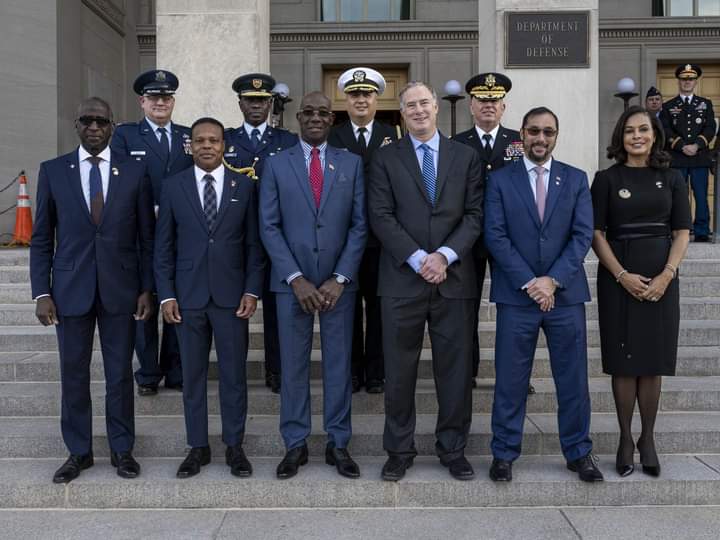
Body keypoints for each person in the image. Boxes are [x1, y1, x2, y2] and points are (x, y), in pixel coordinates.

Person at [30, 97, 155, 483]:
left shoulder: (135, 171)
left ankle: (122, 450)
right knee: (73, 372)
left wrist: (147, 287)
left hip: (121, 289)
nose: (94, 128)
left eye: (101, 121)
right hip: (69, 290)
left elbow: (145, 239)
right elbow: (40, 238)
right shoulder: (53, 171)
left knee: (119, 374)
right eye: (87, 121)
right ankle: (78, 452)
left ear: (113, 127)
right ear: (77, 125)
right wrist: (41, 292)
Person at [368, 81, 483, 481]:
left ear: (436, 107)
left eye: (424, 103)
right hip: (402, 281)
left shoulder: (465, 157)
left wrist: (444, 256)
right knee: (399, 372)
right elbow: (380, 215)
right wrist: (420, 259)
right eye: (410, 106)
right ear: (401, 115)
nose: (418, 110)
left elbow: (474, 215)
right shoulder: (385, 159)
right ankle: (399, 450)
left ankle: (453, 449)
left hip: (454, 280)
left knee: (454, 371)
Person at [484, 106, 602, 483]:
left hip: (564, 297)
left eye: (548, 132)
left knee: (572, 380)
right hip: (517, 297)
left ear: (556, 135)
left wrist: (552, 281)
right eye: (534, 131)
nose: (541, 138)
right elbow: (495, 236)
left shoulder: (575, 179)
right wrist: (531, 282)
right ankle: (503, 453)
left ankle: (579, 453)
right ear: (522, 135)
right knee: (510, 380)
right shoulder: (500, 181)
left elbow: (582, 235)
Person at [259, 91, 367, 480]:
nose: (316, 118)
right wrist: (296, 278)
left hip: (339, 286)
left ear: (332, 119)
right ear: (298, 118)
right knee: (293, 366)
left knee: (339, 366)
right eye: (309, 112)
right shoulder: (275, 164)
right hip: (291, 286)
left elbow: (359, 225)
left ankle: (339, 443)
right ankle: (295, 443)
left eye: (324, 112)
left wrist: (340, 278)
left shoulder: (351, 164)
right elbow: (268, 226)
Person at [155, 117, 265, 479]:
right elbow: (164, 248)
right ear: (190, 146)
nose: (206, 146)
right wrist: (166, 295)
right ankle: (197, 447)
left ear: (224, 146)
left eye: (213, 140)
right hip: (187, 299)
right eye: (199, 140)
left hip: (232, 298)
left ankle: (234, 446)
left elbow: (253, 245)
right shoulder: (172, 187)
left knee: (234, 376)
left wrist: (252, 289)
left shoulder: (245, 186)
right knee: (193, 377)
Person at [591, 106, 691, 477]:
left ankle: (647, 438)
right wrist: (621, 275)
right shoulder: (605, 178)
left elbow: (681, 231)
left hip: (661, 277)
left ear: (654, 135)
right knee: (624, 361)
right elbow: (596, 233)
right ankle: (623, 438)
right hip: (619, 278)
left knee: (651, 362)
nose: (637, 136)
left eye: (644, 130)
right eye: (630, 130)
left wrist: (666, 275)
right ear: (621, 136)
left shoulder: (673, 178)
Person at [111, 69, 193, 396]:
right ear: (142, 101)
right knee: (143, 302)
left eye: (166, 97)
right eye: (154, 97)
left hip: (181, 236)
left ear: (173, 100)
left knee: (178, 301)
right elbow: (116, 181)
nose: (161, 102)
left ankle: (176, 370)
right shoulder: (125, 136)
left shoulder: (189, 136)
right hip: (140, 234)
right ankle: (147, 372)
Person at [453, 72, 529, 392]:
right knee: (464, 309)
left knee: (513, 311)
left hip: (508, 240)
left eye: (494, 101)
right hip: (467, 240)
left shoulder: (519, 142)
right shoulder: (456, 144)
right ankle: (465, 373)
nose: (488, 105)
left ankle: (513, 376)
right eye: (482, 100)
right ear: (471, 106)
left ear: (504, 106)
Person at [225, 73, 298, 394]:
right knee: (233, 310)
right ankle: (234, 372)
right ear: (240, 103)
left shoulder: (288, 142)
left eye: (262, 101)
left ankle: (277, 371)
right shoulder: (225, 140)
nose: (256, 106)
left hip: (276, 238)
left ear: (271, 103)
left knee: (278, 310)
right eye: (250, 101)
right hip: (235, 239)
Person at [328, 67, 398, 394]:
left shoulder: (394, 134)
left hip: (383, 240)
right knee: (348, 309)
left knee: (380, 307)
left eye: (366, 94)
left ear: (376, 98)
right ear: (346, 99)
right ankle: (353, 372)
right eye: (354, 94)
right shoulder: (332, 136)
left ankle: (377, 373)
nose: (360, 100)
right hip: (343, 239)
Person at [659, 64, 717, 242]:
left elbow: (710, 127)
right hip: (677, 158)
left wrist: (697, 145)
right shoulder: (668, 106)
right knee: (678, 197)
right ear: (679, 81)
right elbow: (665, 129)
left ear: (695, 81)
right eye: (684, 79)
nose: (687, 82)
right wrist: (681, 145)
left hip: (699, 158)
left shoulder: (705, 104)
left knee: (700, 196)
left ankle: (701, 230)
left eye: (690, 79)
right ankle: (678, 229)